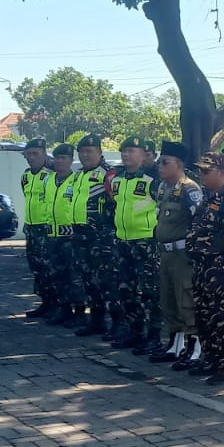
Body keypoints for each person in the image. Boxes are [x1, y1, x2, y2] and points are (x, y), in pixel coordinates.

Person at [187, 153, 224, 385]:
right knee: (205, 316)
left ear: (221, 171)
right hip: (204, 269)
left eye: (206, 171)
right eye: (200, 171)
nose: (201, 175)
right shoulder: (209, 197)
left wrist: (201, 247)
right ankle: (211, 358)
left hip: (223, 269)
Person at [151, 142, 204, 364]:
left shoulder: (189, 189)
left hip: (183, 255)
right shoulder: (164, 188)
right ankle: (175, 344)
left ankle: (195, 347)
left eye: (166, 162)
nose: (160, 167)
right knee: (169, 299)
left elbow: (198, 223)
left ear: (179, 164)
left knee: (186, 300)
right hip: (166, 254)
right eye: (159, 162)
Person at [109, 135, 160, 350]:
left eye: (132, 151)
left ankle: (154, 336)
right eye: (124, 151)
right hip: (123, 241)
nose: (126, 155)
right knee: (126, 290)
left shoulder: (152, 181)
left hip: (145, 241)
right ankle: (135, 331)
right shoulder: (118, 180)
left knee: (149, 291)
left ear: (143, 155)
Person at [72, 133, 117, 338]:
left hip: (103, 238)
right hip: (83, 237)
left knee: (108, 282)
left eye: (89, 151)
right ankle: (96, 321)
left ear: (100, 152)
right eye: (81, 152)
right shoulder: (79, 175)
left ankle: (118, 323)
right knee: (89, 280)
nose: (85, 155)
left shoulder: (109, 174)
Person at [45, 143, 87, 327]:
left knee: (74, 276)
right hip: (52, 235)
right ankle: (64, 309)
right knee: (57, 275)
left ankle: (79, 312)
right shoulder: (48, 180)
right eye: (57, 158)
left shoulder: (76, 180)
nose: (60, 161)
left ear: (71, 160)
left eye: (64, 158)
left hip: (70, 236)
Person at [19, 137, 58, 319]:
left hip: (47, 228)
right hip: (32, 229)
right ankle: (45, 302)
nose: (32, 158)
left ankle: (56, 304)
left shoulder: (51, 175)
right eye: (29, 154)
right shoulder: (26, 176)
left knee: (50, 268)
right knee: (36, 268)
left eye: (36, 154)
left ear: (43, 154)